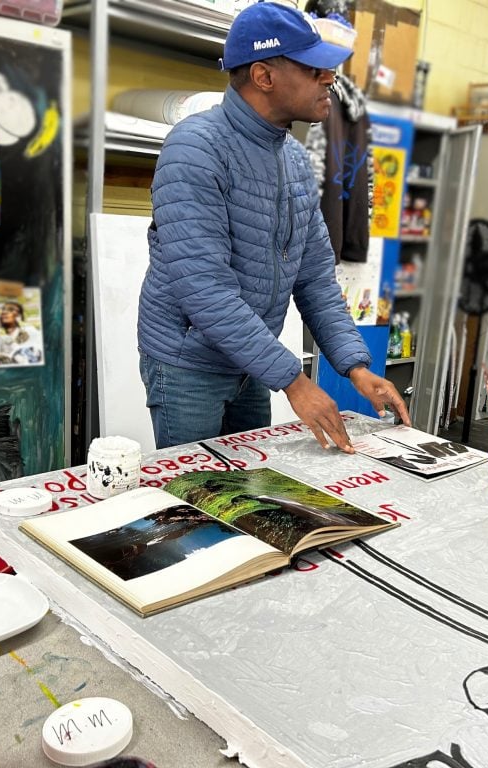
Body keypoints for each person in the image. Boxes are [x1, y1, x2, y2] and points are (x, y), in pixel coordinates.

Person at [138, 1, 409, 453]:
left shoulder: (294, 160)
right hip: (191, 364)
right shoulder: (195, 149)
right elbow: (205, 289)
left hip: (250, 361)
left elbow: (315, 279)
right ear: (264, 76)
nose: (330, 79)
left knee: (251, 484)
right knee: (198, 494)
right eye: (314, 70)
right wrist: (294, 382)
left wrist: (355, 366)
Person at [0, 300, 43, 365]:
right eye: (3, 309)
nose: (4, 312)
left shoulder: (31, 331)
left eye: (11, 309)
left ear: (19, 316)